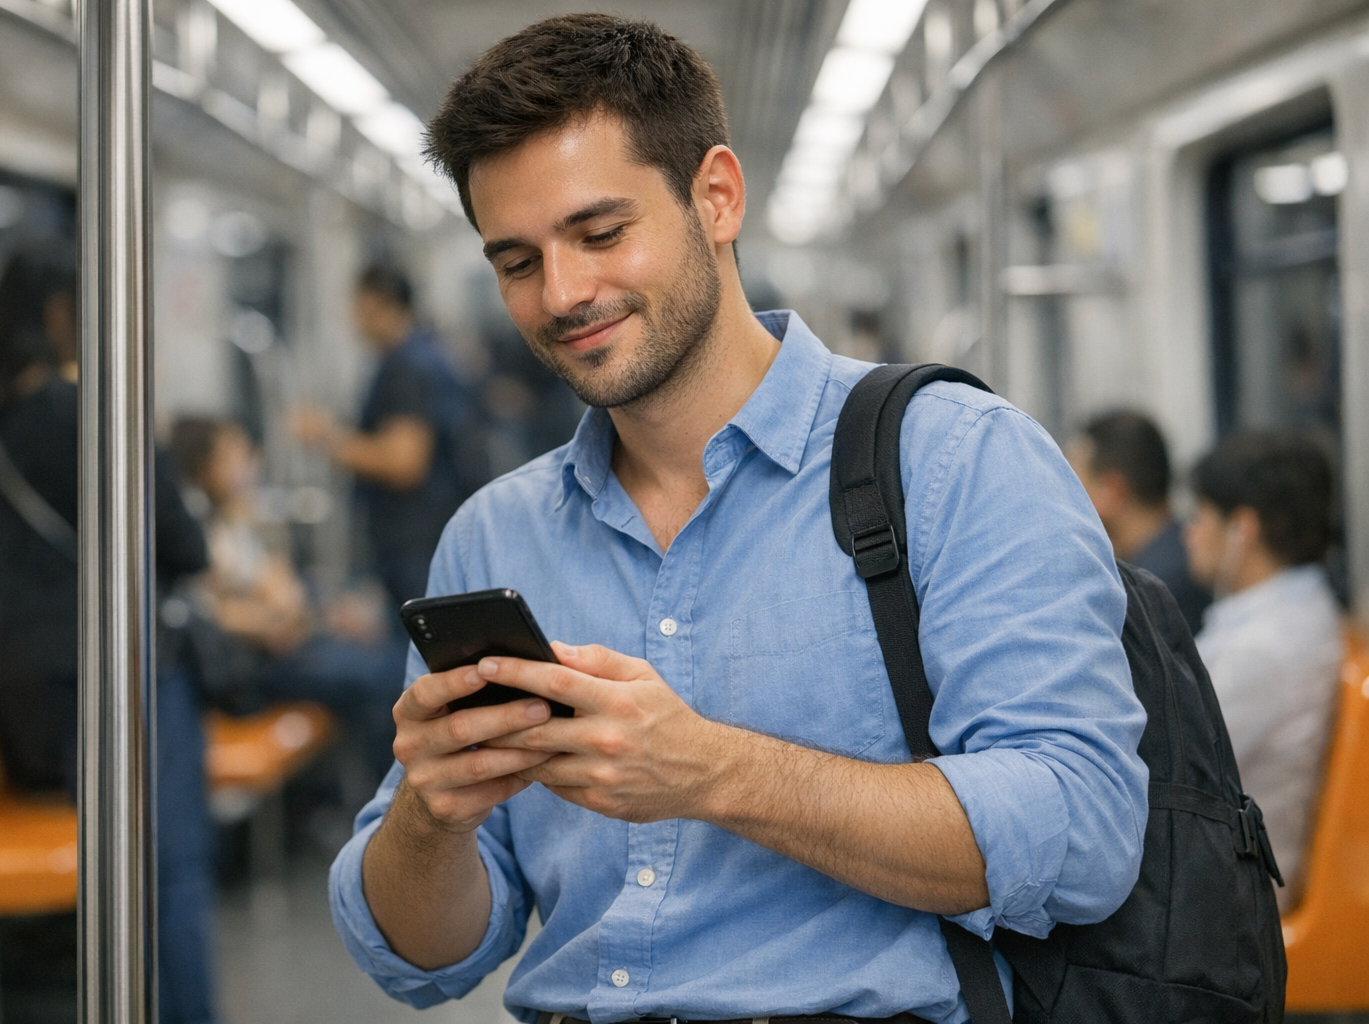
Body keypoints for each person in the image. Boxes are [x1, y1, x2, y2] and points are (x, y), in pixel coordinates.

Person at [329, 16, 1147, 1024]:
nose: (564, 293)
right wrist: (430, 814)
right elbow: (426, 959)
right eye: (517, 262)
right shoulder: (494, 539)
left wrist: (715, 771)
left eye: (600, 233)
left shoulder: (956, 459)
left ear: (716, 196)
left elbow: (1083, 830)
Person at [0, 241, 218, 1024]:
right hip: (128, 671)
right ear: (64, 313)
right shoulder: (99, 410)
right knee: (173, 871)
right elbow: (185, 549)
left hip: (25, 689)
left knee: (106, 866)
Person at [170, 415, 406, 777]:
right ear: (204, 468)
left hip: (290, 644)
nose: (250, 465)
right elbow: (226, 613)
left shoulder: (235, 520)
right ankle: (391, 798)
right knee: (379, 679)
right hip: (254, 671)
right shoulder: (197, 539)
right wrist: (278, 614)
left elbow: (282, 590)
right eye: (235, 457)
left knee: (390, 663)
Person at [1183, 433, 1341, 910]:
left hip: (1240, 903)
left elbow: (1167, 763)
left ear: (1242, 530)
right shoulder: (1294, 614)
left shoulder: (1264, 648)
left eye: (1199, 515)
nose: (1188, 532)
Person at [292, 264, 481, 609]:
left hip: (417, 539)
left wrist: (324, 437)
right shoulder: (428, 352)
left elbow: (403, 462)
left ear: (378, 303)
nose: (353, 317)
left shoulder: (407, 366)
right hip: (430, 531)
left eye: (357, 304)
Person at [1067, 410, 1210, 633]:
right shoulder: (1179, 557)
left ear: (1112, 489)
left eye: (1073, 480)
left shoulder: (1151, 589)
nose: (1065, 496)